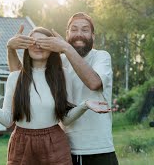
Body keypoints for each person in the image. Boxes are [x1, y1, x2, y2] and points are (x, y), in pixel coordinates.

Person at [0, 27, 110, 165]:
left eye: (43, 42)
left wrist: (84, 105)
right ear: (26, 47)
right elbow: (7, 120)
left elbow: (65, 118)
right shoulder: (15, 77)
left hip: (54, 143)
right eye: (33, 42)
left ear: (52, 48)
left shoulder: (63, 75)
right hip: (21, 144)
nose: (37, 46)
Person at [7, 13, 118, 165]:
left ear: (93, 35)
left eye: (85, 30)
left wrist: (65, 47)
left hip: (97, 148)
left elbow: (94, 83)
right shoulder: (60, 63)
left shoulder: (101, 57)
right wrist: (11, 48)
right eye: (74, 29)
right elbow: (22, 77)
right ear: (67, 34)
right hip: (63, 149)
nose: (79, 33)